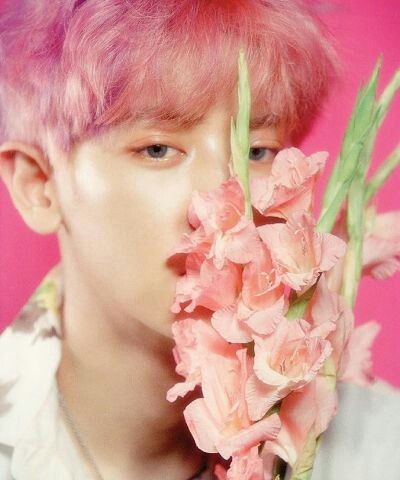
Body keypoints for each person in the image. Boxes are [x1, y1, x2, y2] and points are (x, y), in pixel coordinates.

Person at [0, 1, 399, 479]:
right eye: (157, 149)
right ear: (38, 185)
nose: (226, 206)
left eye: (257, 151)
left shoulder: (377, 448)